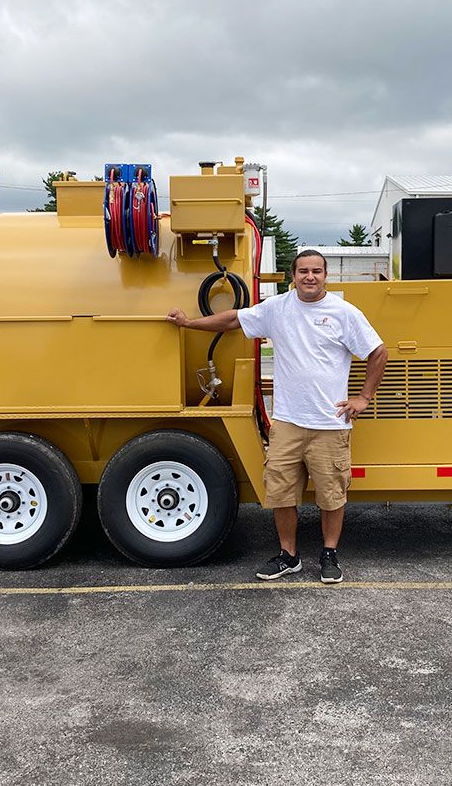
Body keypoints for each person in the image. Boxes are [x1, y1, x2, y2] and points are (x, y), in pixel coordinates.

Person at [166, 249, 388, 584]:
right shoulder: (277, 309)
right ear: (292, 275)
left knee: (331, 495)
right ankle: (288, 555)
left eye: (316, 271)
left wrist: (364, 397)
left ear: (326, 275)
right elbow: (232, 320)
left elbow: (378, 351)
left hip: (330, 424)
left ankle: (329, 554)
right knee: (281, 493)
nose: (310, 277)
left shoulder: (344, 313)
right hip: (287, 423)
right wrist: (188, 323)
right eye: (303, 271)